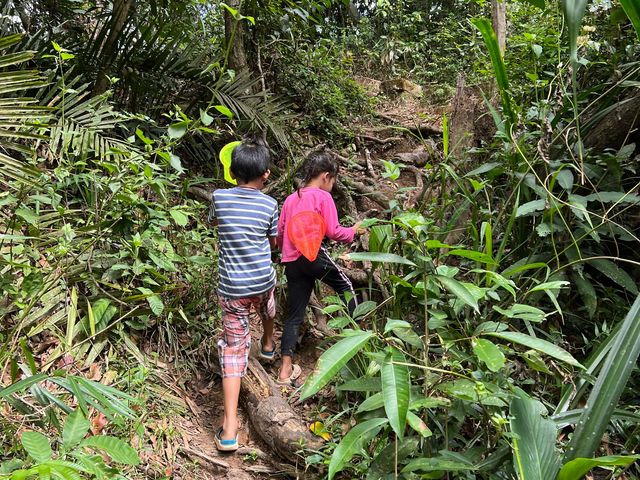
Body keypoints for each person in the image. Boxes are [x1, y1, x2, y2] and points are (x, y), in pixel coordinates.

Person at [209, 134, 279, 452]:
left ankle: (229, 429)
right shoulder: (270, 204)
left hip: (233, 289)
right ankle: (267, 344)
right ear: (265, 174)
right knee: (267, 306)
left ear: (232, 172)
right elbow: (274, 242)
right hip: (262, 281)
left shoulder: (219, 199)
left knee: (234, 352)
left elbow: (215, 225)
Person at [276, 150, 363, 385]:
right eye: (333, 180)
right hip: (313, 256)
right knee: (345, 286)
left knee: (294, 314)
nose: (333, 185)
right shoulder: (323, 198)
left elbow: (281, 233)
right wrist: (355, 230)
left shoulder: (291, 198)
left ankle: (284, 371)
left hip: (291, 262)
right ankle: (358, 340)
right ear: (325, 176)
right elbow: (335, 232)